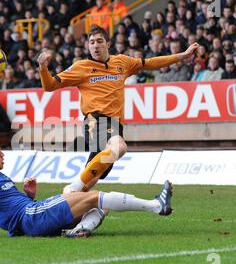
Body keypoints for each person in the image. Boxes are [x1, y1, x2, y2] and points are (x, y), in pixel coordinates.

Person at [0, 139, 173, 239]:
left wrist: (28, 195)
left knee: (81, 195)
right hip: (31, 218)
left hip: (31, 213)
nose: (2, 155)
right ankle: (156, 206)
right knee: (91, 197)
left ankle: (79, 231)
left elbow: (5, 210)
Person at [37, 25, 198, 194]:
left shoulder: (122, 62)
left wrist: (182, 56)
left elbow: (150, 63)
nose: (95, 45)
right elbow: (49, 86)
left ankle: (68, 198)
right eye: (91, 42)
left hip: (115, 124)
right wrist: (42, 68)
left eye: (99, 41)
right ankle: (73, 187)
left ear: (108, 44)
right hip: (95, 120)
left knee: (90, 180)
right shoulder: (80, 67)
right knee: (119, 147)